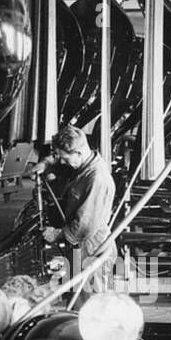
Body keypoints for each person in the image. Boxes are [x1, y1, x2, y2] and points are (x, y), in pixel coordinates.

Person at [36, 125, 116, 293]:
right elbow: (57, 159)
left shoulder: (96, 178)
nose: (62, 162)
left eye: (65, 159)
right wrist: (45, 164)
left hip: (91, 246)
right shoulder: (84, 163)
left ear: (78, 152)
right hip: (81, 245)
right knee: (75, 294)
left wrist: (57, 234)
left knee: (86, 300)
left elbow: (85, 225)